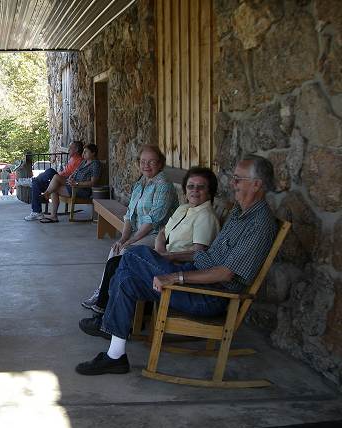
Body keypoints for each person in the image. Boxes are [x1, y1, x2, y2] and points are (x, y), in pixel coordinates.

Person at [75, 155, 278, 375]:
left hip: (211, 296)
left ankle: (106, 322)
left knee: (133, 255)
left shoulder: (259, 224)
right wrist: (173, 258)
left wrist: (176, 277)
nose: (233, 183)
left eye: (238, 179)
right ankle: (115, 355)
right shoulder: (240, 213)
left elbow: (225, 273)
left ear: (256, 184)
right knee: (127, 279)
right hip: (198, 278)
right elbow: (207, 255)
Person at [81, 166, 220, 318]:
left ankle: (104, 310)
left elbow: (198, 253)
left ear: (210, 191)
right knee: (119, 262)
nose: (195, 191)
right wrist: (160, 249)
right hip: (165, 257)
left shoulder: (205, 216)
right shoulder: (185, 208)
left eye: (201, 187)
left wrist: (168, 256)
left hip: (178, 267)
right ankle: (108, 310)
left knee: (121, 262)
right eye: (191, 186)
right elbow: (163, 231)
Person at [81, 145, 179, 308]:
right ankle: (103, 292)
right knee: (116, 248)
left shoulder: (164, 185)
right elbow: (130, 215)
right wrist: (123, 238)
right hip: (140, 232)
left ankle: (112, 298)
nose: (146, 165)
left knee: (126, 252)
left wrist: (130, 241)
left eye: (152, 161)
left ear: (160, 164)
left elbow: (152, 221)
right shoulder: (140, 183)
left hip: (158, 235)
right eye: (143, 161)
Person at [39, 143, 102, 223]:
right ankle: (47, 197)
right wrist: (70, 177)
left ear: (93, 153)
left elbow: (93, 183)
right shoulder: (84, 162)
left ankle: (47, 199)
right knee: (55, 179)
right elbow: (75, 171)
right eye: (83, 152)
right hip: (73, 184)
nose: (83, 154)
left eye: (86, 152)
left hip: (82, 189)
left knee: (55, 186)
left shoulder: (95, 164)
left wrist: (76, 183)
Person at [24, 141, 84, 221]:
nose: (68, 149)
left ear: (76, 150)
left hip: (65, 182)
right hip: (58, 181)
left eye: (70, 148)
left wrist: (60, 176)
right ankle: (36, 212)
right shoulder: (72, 158)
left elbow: (74, 176)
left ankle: (34, 183)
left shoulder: (80, 161)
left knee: (50, 171)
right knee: (36, 183)